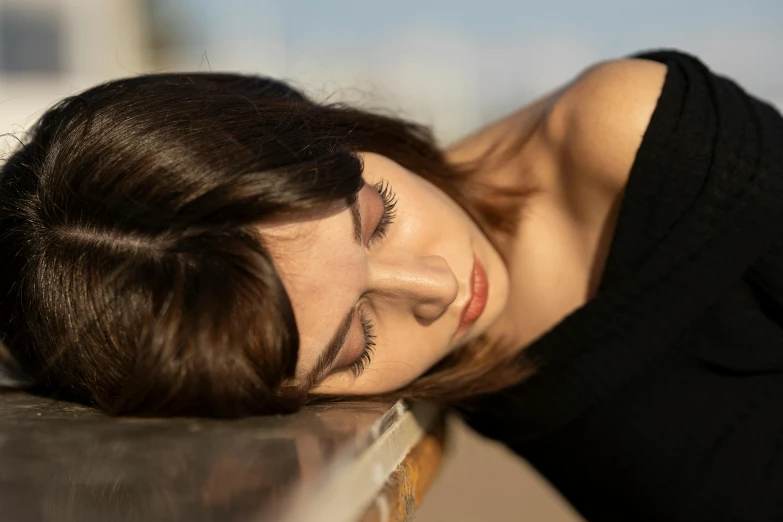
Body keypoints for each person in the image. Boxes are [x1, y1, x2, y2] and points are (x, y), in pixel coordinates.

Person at [1, 49, 782, 520]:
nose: (437, 288)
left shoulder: (632, 138)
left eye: (377, 217)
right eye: (354, 339)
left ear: (330, 133)